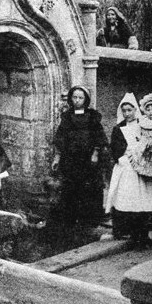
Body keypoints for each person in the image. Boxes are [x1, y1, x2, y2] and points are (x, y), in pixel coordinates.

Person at [106, 93, 152, 246]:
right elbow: (115, 148)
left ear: (136, 110)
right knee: (129, 200)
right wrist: (121, 159)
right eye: (125, 110)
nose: (127, 113)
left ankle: (145, 234)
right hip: (127, 168)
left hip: (146, 167)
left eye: (130, 110)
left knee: (147, 201)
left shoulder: (144, 124)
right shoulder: (119, 128)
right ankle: (132, 234)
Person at [52, 85, 108, 227]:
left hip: (88, 159)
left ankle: (87, 220)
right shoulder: (67, 116)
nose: (77, 100)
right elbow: (60, 137)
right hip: (70, 159)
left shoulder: (92, 116)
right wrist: (57, 157)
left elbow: (99, 137)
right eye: (75, 97)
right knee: (71, 188)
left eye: (80, 98)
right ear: (71, 98)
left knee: (88, 188)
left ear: (86, 99)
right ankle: (71, 219)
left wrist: (95, 153)